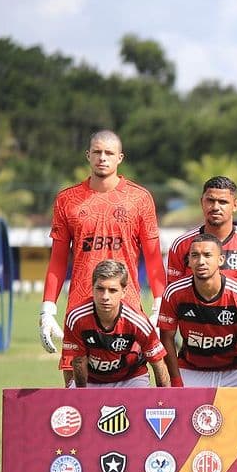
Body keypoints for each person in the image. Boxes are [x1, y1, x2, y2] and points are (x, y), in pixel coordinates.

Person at [38, 130, 166, 387]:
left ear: (120, 157)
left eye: (109, 153)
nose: (102, 158)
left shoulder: (139, 198)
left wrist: (158, 304)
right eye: (97, 152)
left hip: (127, 304)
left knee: (134, 377)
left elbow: (153, 257)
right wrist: (47, 308)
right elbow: (58, 259)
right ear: (88, 155)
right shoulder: (67, 200)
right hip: (79, 304)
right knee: (76, 387)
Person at [158, 233, 237, 387]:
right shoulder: (173, 293)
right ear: (189, 261)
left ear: (221, 260)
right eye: (195, 255)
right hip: (192, 368)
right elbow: (166, 339)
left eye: (207, 255)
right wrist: (176, 383)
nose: (201, 261)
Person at [60, 259, 170, 388]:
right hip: (91, 380)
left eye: (112, 290)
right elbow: (78, 361)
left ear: (124, 292)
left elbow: (158, 363)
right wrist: (81, 399)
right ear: (92, 288)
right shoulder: (76, 317)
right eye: (100, 289)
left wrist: (165, 401)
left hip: (131, 379)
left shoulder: (138, 322)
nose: (105, 296)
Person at [166, 176, 237, 305]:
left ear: (235, 205)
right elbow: (173, 291)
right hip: (194, 322)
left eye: (223, 202)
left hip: (235, 323)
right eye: (210, 200)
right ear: (202, 202)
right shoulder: (181, 244)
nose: (215, 207)